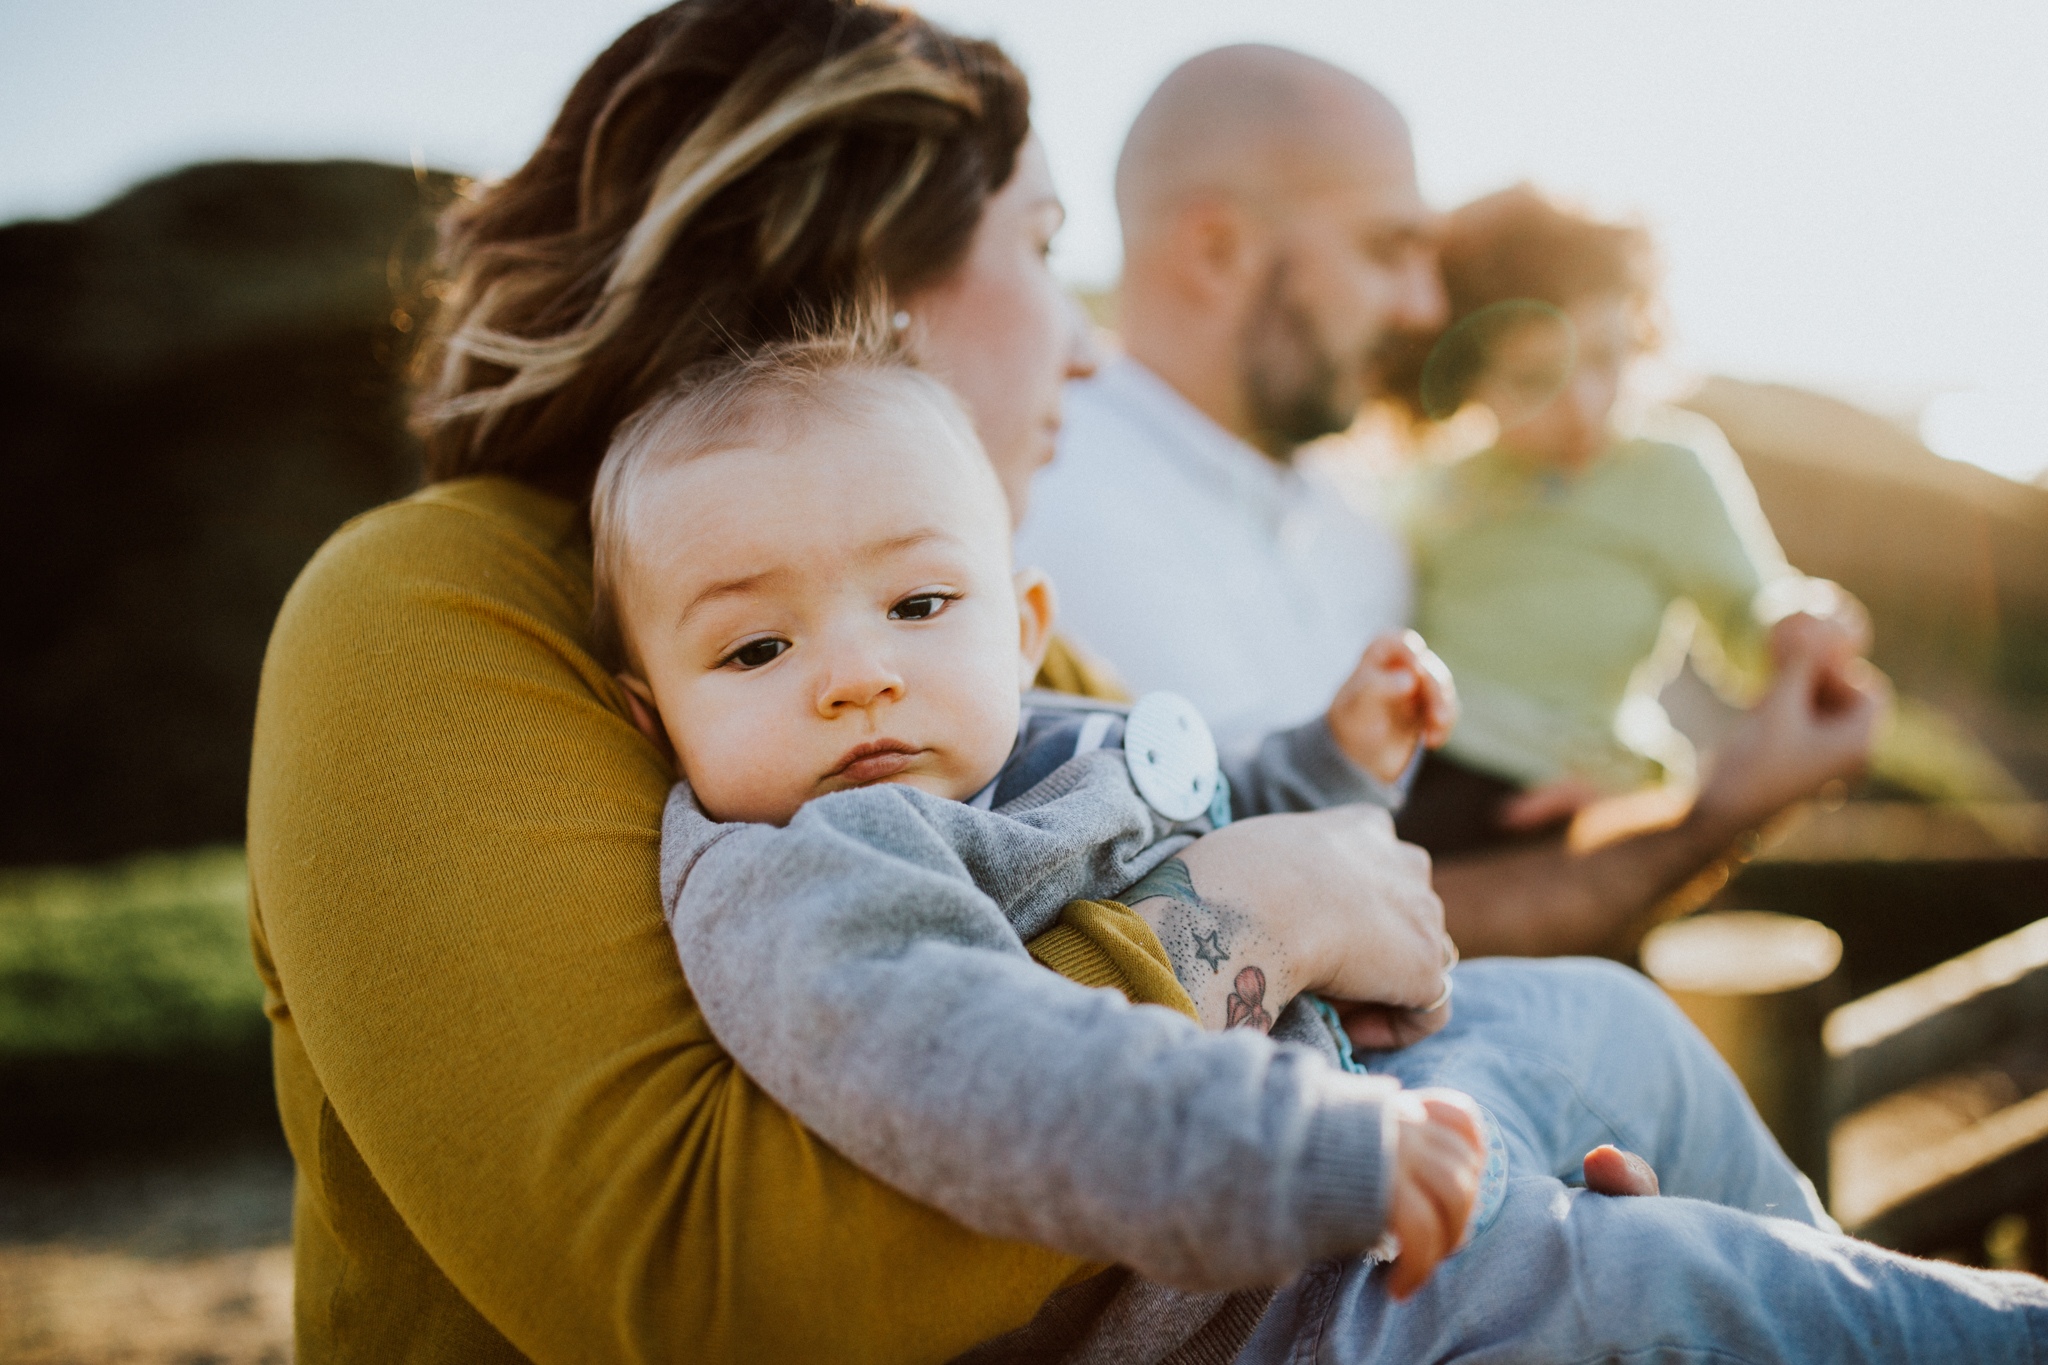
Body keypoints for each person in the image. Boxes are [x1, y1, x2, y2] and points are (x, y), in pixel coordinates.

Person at [245, 5, 2048, 1360]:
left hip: (1248, 1191)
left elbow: (1172, 814)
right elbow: (704, 1275)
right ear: (857, 273)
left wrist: (1329, 844)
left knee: (1622, 1086)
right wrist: (1255, 917)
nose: (1089, 336)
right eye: (1037, 249)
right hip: (1188, 1260)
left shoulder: (954, 622)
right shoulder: (426, 606)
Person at [588, 325, 1489, 1318]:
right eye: (757, 649)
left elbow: (1212, 810)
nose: (856, 677)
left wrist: (1332, 759)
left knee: (1610, 1040)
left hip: (1371, 1141)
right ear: (654, 719)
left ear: (1021, 634)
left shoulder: (1041, 746)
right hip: (1262, 1303)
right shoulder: (795, 880)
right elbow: (988, 1065)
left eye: (918, 602)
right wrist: (1308, 1148)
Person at [1015, 43, 1888, 958]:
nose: (1428, 306)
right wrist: (1705, 822)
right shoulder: (1045, 514)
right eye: (1389, 249)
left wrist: (1626, 798)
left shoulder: (1374, 519)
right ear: (1217, 247)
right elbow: (1246, 927)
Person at [1384, 185, 1873, 859]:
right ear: (1466, 374)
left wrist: (1797, 620)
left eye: (1603, 359)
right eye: (1533, 379)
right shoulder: (1438, 481)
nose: (1583, 405)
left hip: (1561, 786)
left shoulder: (1668, 471)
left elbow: (1747, 612)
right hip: (1416, 769)